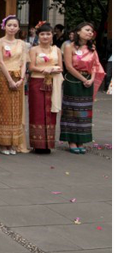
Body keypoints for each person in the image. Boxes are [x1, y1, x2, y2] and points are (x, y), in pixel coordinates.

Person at [60, 22, 106, 153]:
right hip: (73, 81)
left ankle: (81, 139)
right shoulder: (69, 46)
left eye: (91, 31)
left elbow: (95, 65)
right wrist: (83, 79)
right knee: (71, 110)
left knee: (84, 112)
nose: (90, 33)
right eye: (87, 30)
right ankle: (71, 141)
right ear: (78, 32)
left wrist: (91, 79)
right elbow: (68, 66)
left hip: (88, 82)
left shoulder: (92, 48)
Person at [0, 15, 28, 155]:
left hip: (19, 76)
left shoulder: (22, 43)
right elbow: (0, 62)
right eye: (9, 25)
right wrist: (10, 80)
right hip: (5, 76)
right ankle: (3, 143)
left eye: (15, 25)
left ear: (18, 28)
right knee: (4, 109)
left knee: (17, 110)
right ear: (4, 27)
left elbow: (24, 62)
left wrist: (21, 79)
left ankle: (14, 142)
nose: (12, 28)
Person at [27, 22, 64, 154]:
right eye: (42, 34)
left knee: (50, 111)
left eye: (48, 34)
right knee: (37, 110)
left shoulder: (57, 50)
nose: (45, 37)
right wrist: (44, 69)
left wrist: (52, 69)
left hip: (53, 81)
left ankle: (48, 143)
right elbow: (31, 67)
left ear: (52, 35)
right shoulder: (34, 50)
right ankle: (37, 143)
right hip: (37, 81)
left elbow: (61, 67)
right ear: (38, 36)